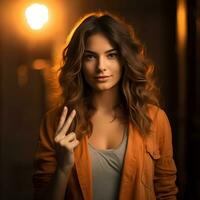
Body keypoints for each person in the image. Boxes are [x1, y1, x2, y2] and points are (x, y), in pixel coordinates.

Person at [32, 11, 178, 200]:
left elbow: (166, 193)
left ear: (125, 59)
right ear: (78, 62)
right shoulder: (55, 122)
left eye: (111, 55)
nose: (101, 66)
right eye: (90, 57)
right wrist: (62, 168)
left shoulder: (155, 119)